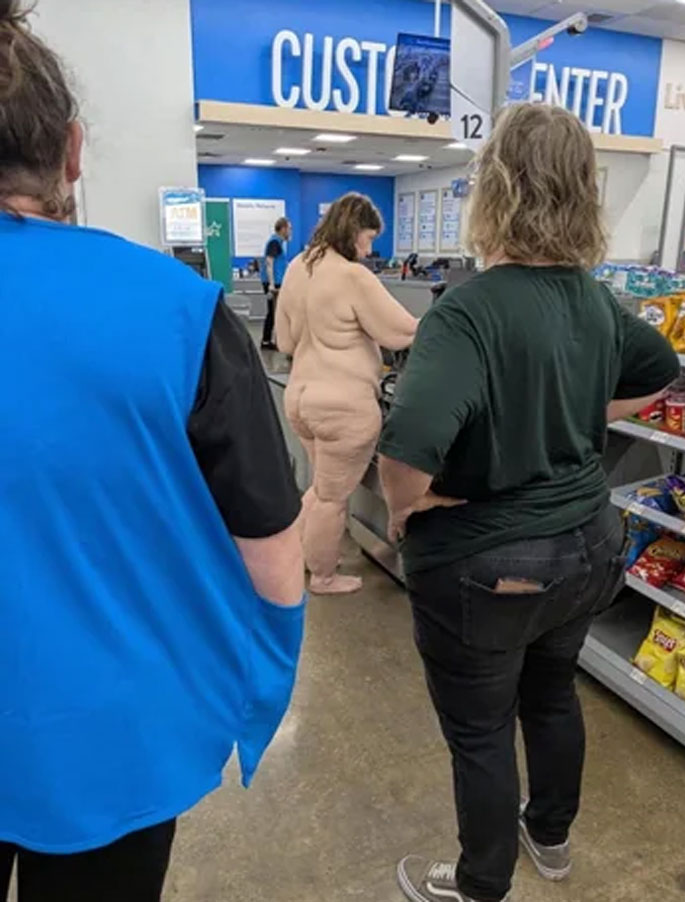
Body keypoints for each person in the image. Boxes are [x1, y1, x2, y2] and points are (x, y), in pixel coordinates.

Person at [0, 3, 306, 900]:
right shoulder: (180, 312)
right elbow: (275, 566)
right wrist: (245, 695)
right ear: (73, 150)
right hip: (115, 737)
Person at [378, 103, 680, 902]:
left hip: (490, 563)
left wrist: (415, 505)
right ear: (584, 190)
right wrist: (585, 418)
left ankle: (481, 884)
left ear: (493, 188)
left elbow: (406, 446)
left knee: (479, 730)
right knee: (550, 696)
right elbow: (657, 375)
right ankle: (550, 839)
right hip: (588, 544)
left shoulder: (468, 310)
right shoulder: (594, 300)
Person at [276, 193, 418, 595]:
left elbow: (284, 341)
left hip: (301, 397)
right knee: (332, 498)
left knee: (321, 489)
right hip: (344, 405)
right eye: (368, 238)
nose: (370, 249)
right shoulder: (352, 276)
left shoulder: (297, 267)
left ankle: (300, 555)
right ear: (352, 230)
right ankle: (322, 575)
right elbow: (400, 332)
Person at [260, 216, 292, 350]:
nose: (290, 231)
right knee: (274, 313)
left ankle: (270, 340)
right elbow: (269, 263)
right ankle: (267, 341)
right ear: (283, 229)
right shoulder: (274, 242)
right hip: (274, 283)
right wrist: (272, 285)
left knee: (275, 312)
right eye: (289, 228)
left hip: (278, 282)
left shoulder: (278, 243)